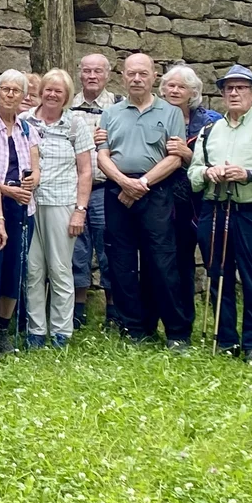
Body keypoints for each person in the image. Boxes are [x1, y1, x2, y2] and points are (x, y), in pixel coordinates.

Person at [187, 65, 252, 360]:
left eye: (241, 88)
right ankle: (225, 340)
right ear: (221, 94)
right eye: (228, 88)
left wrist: (248, 173)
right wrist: (210, 173)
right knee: (218, 273)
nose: (234, 93)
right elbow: (194, 173)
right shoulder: (210, 130)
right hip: (215, 207)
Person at [95, 53, 187, 347]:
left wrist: (142, 183)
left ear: (154, 76)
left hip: (156, 190)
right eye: (131, 74)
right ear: (122, 77)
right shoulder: (111, 113)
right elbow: (101, 155)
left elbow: (175, 157)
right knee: (121, 264)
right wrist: (123, 182)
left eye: (142, 74)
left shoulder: (170, 112)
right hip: (118, 192)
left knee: (161, 262)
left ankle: (176, 332)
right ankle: (134, 329)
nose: (136, 79)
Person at [24, 69, 93, 347]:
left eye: (59, 91)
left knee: (60, 268)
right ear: (40, 91)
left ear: (66, 97)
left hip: (62, 203)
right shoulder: (24, 121)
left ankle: (62, 332)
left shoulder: (75, 124)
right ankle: (36, 331)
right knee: (33, 269)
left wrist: (80, 209)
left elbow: (86, 171)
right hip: (28, 204)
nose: (52, 94)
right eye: (48, 89)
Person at [159, 65, 219, 333]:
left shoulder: (211, 122)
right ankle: (181, 323)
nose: (174, 90)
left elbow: (217, 162)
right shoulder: (156, 117)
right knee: (178, 263)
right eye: (170, 86)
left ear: (193, 92)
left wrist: (187, 154)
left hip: (203, 202)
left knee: (214, 261)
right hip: (168, 203)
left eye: (181, 87)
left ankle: (222, 324)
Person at [0, 70, 38, 355]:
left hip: (22, 208)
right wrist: (8, 190)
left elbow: (36, 167)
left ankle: (3, 329)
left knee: (14, 271)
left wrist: (32, 181)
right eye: (5, 89)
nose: (10, 94)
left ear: (23, 96)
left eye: (16, 90)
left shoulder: (27, 128)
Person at [70, 53, 118, 328]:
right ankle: (77, 311)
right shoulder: (69, 106)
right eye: (87, 70)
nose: (91, 76)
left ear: (107, 75)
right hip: (74, 189)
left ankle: (114, 311)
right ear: (80, 73)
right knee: (77, 249)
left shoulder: (118, 107)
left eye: (97, 71)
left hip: (104, 189)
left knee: (109, 249)